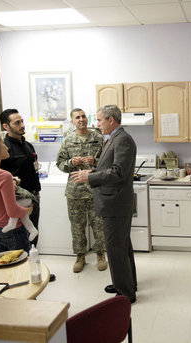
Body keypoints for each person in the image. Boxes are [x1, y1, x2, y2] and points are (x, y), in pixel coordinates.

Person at [70, 105, 137, 303]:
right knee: (123, 247)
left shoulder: (122, 139)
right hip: (114, 201)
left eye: (99, 120)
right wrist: (92, 173)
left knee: (116, 248)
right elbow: (109, 167)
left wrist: (89, 178)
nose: (96, 124)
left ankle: (125, 294)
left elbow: (118, 172)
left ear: (111, 120)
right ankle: (126, 283)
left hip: (115, 203)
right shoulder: (114, 138)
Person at [56, 108, 108, 273]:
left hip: (96, 190)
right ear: (72, 121)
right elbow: (60, 163)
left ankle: (101, 254)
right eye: (77, 117)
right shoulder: (68, 140)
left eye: (83, 116)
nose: (81, 119)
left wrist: (95, 160)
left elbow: (108, 163)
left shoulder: (99, 138)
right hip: (75, 191)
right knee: (77, 227)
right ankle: (80, 256)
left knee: (99, 225)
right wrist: (71, 162)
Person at [0, 109, 41, 247]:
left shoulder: (28, 146)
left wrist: (37, 192)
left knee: (33, 237)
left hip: (33, 197)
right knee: (20, 241)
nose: (22, 125)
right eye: (17, 123)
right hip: (17, 201)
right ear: (6, 126)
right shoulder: (4, 150)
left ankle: (33, 265)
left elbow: (34, 170)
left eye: (22, 121)